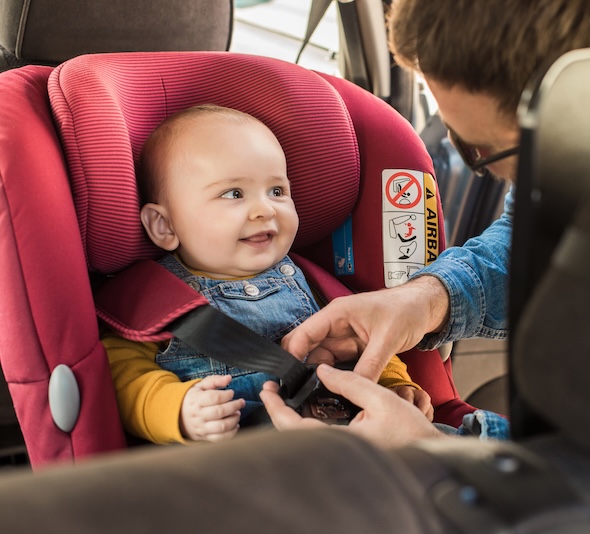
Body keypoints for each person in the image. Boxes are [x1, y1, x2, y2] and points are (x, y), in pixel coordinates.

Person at [263, 0, 590, 447]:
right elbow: (542, 228)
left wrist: (438, 451)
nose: (467, 158)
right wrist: (428, 298)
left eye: (482, 149)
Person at [102, 104, 432, 444]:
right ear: (165, 225)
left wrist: (393, 384)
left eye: (277, 191)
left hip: (350, 437)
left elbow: (364, 340)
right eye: (233, 194)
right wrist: (180, 410)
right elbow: (123, 376)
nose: (264, 209)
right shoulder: (154, 301)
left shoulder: (313, 282)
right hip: (247, 460)